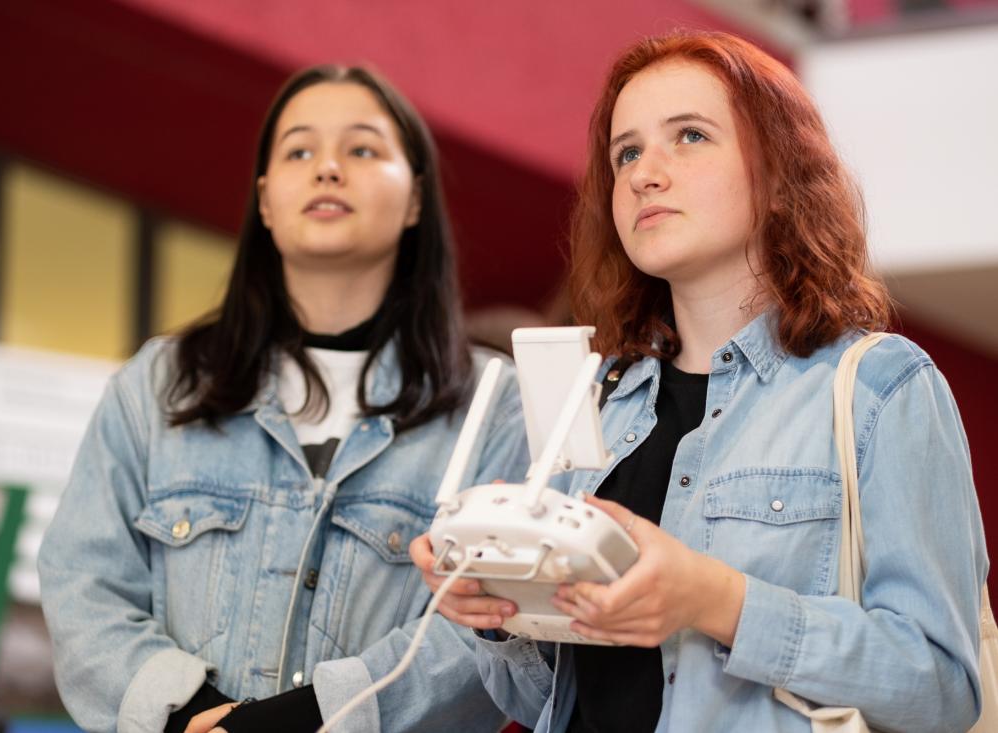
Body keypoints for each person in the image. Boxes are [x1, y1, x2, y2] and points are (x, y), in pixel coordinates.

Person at [411, 30, 988, 732]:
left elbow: (942, 688)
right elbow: (547, 699)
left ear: (777, 173)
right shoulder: (593, 401)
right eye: (626, 153)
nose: (643, 175)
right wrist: (498, 616)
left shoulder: (880, 387)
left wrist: (719, 601)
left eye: (689, 136)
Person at [38, 64, 528, 733]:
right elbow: (82, 582)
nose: (328, 168)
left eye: (362, 149)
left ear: (415, 197)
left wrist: (300, 720)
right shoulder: (158, 384)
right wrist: (192, 717)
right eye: (299, 151)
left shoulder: (497, 407)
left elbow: (490, 629)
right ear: (265, 200)